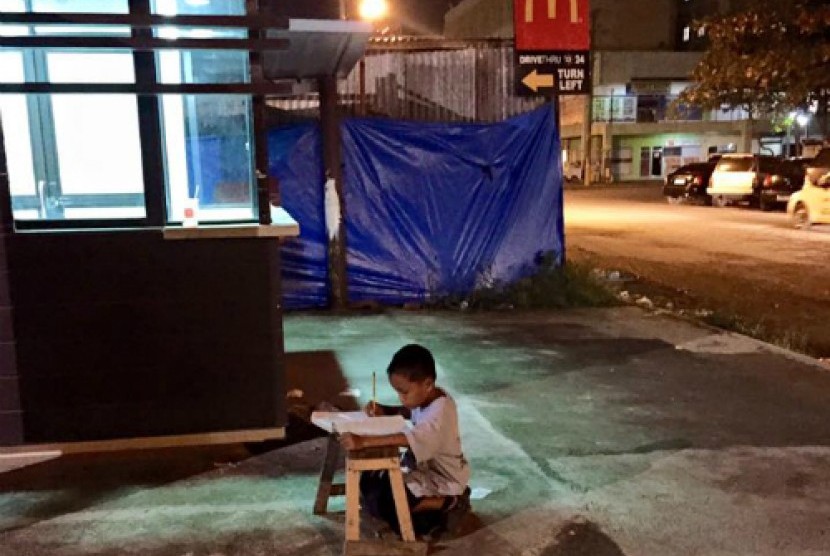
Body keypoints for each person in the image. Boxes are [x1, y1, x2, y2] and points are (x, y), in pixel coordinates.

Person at [339, 344, 471, 538]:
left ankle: (451, 503)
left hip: (443, 481)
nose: (401, 398)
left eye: (404, 392)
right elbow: (411, 410)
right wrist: (386, 409)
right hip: (423, 472)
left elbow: (407, 438)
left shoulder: (440, 413)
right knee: (368, 482)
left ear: (427, 384)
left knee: (393, 508)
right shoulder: (428, 397)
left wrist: (363, 441)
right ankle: (422, 507)